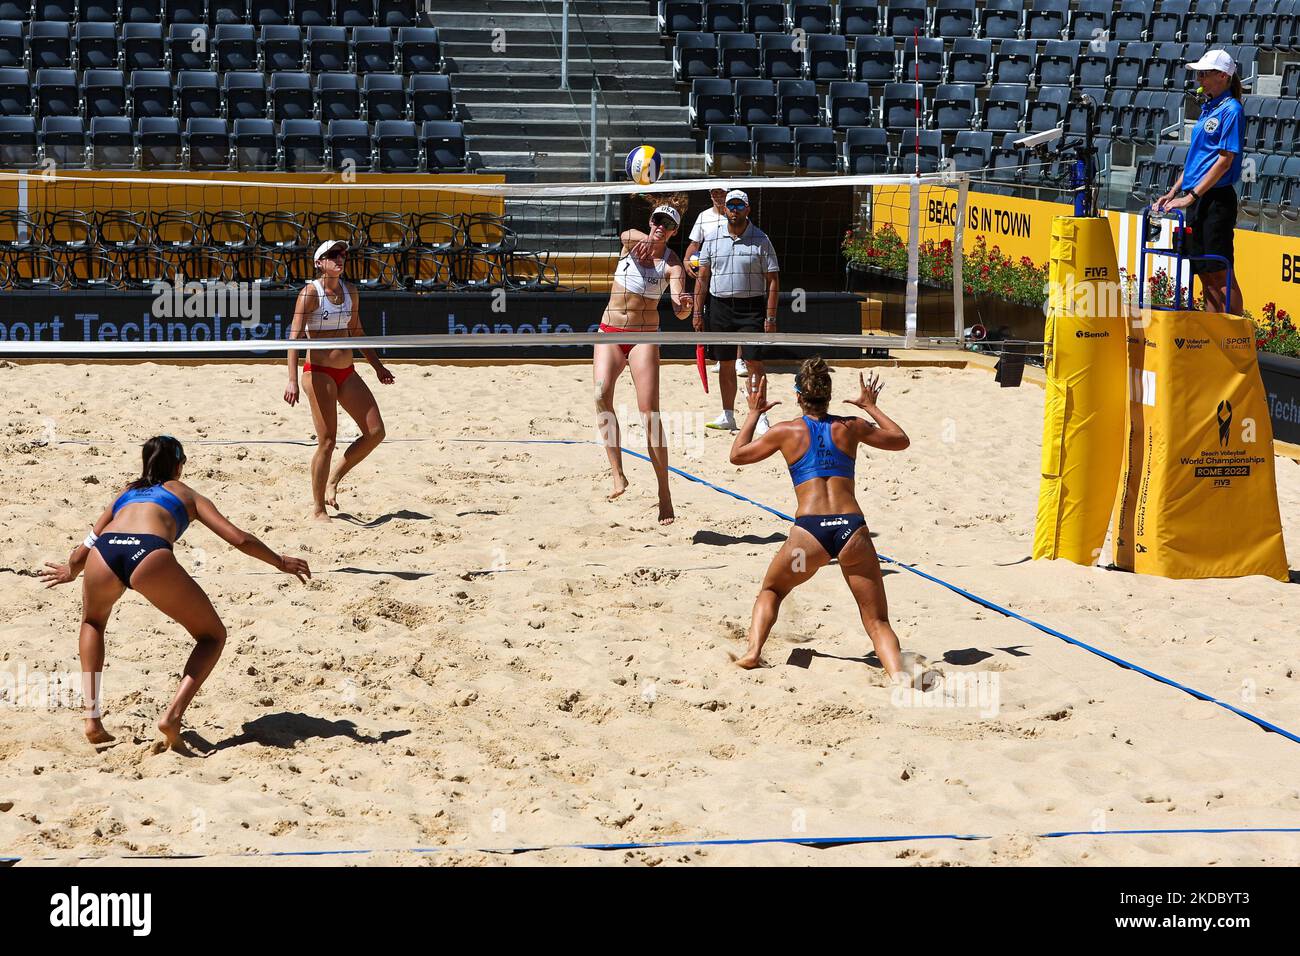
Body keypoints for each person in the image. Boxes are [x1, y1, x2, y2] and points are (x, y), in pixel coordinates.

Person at [38, 435, 311, 750]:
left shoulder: (126, 493)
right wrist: (278, 561)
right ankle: (173, 716)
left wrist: (71, 570)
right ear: (179, 464)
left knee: (93, 623)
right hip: (148, 553)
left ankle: (92, 718)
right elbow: (238, 539)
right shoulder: (187, 494)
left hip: (105, 551)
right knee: (212, 636)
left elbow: (87, 542)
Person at [727, 360, 912, 682]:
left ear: (799, 395)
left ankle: (753, 653)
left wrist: (754, 413)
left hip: (809, 536)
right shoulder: (851, 426)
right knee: (877, 621)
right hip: (851, 530)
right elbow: (899, 439)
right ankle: (898, 675)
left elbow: (737, 455)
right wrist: (870, 407)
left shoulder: (785, 431)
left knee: (772, 591)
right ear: (828, 395)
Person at [595, 195, 694, 525]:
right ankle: (617, 474)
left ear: (674, 232)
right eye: (657, 221)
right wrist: (644, 238)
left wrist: (683, 304)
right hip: (610, 330)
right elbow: (627, 235)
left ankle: (664, 493)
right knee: (599, 394)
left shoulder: (672, 262)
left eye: (667, 225)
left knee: (649, 414)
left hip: (644, 336)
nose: (659, 228)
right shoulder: (630, 243)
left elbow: (680, 307)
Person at [284, 239, 395, 520]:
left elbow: (357, 331)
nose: (339, 258)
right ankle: (318, 509)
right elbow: (294, 338)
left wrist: (378, 367)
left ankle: (334, 478)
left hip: (347, 372)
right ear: (319, 262)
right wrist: (292, 380)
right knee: (327, 441)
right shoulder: (310, 293)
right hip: (318, 372)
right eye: (332, 255)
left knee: (376, 432)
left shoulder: (351, 292)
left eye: (342, 254)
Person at [1153, 49, 1245, 315]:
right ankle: (1210, 336)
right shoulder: (1209, 108)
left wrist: (1190, 196)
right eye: (1199, 73)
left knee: (1220, 272)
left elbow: (1224, 161)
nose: (1200, 78)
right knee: (1204, 273)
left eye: (1205, 73)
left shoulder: (1232, 110)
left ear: (1223, 76)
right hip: (1198, 198)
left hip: (1216, 200)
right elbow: (1197, 160)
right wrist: (1173, 192)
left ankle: (1231, 339)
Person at [693, 189, 780, 434]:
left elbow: (773, 280)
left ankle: (759, 415)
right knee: (726, 362)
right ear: (725, 209)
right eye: (731, 205)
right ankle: (728, 414)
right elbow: (703, 277)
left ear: (747, 209)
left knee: (754, 362)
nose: (734, 209)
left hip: (751, 307)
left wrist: (770, 317)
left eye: (740, 206)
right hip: (719, 306)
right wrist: (697, 312)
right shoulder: (712, 236)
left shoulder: (761, 239)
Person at [683, 187, 747, 380]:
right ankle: (722, 358)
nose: (717, 196)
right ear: (710, 195)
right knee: (715, 317)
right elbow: (694, 245)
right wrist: (687, 260)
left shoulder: (736, 215)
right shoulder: (704, 217)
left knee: (739, 316)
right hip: (710, 271)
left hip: (733, 269)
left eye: (721, 193)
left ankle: (739, 359)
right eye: (714, 193)